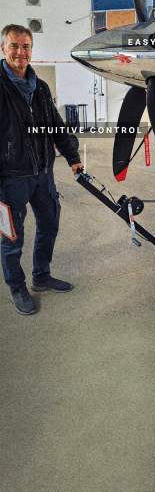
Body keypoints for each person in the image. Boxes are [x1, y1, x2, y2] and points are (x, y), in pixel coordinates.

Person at [0, 24, 83, 315]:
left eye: (25, 47)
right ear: (3, 48)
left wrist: (72, 156)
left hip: (43, 173)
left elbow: (57, 126)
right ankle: (17, 288)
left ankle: (41, 276)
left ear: (31, 50)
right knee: (12, 238)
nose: (20, 52)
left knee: (49, 224)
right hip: (11, 178)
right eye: (14, 46)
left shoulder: (41, 87)